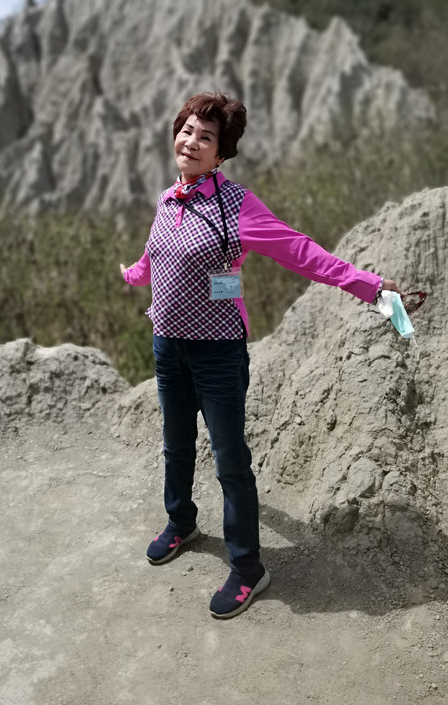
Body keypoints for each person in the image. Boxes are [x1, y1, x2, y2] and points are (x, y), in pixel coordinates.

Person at [120, 91, 400, 620]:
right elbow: (157, 254)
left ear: (221, 152)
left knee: (230, 461)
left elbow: (302, 251)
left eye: (206, 136)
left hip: (218, 353)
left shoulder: (237, 206)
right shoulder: (168, 199)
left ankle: (248, 569)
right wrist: (135, 274)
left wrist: (370, 286)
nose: (191, 142)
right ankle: (181, 522)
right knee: (176, 444)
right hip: (167, 345)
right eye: (187, 130)